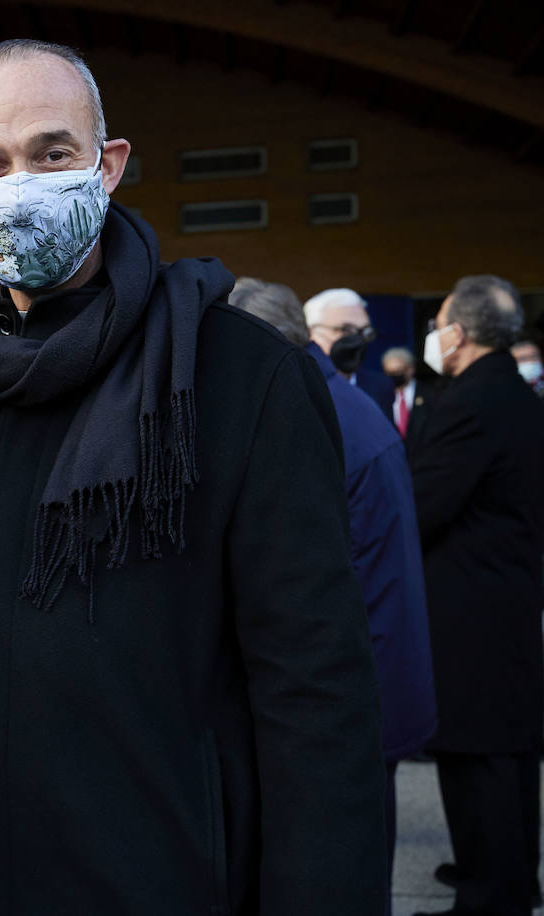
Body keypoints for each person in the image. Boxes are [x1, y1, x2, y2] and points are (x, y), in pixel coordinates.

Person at [0, 40, 386, 914]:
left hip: (168, 878)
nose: (23, 184)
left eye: (53, 153)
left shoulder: (238, 373)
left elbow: (318, 692)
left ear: (108, 166)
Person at [231, 278, 437, 911]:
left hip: (353, 687)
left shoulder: (305, 411)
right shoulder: (333, 398)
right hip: (375, 671)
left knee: (342, 870)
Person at [410, 275, 544, 916]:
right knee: (507, 750)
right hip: (504, 592)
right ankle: (510, 876)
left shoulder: (470, 401)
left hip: (470, 604)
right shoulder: (512, 393)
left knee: (476, 752)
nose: (434, 333)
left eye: (438, 321)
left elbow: (423, 504)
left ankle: (490, 895)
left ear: (458, 333)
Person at [306, 287, 396, 422]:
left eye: (365, 331)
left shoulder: (381, 387)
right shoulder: (300, 385)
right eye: (346, 330)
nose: (357, 340)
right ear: (312, 333)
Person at [382, 346, 434, 456]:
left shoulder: (430, 394)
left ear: (410, 369)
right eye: (389, 372)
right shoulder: (380, 395)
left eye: (398, 371)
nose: (394, 376)